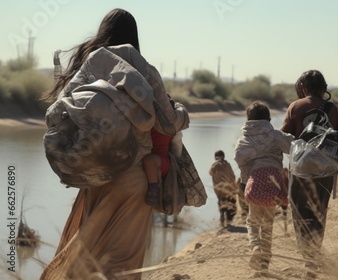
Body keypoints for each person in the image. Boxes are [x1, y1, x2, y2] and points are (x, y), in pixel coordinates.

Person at [40, 9, 188, 280]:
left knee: (84, 258)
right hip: (136, 180)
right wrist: (182, 113)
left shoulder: (88, 68)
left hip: (96, 178)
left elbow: (55, 115)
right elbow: (168, 124)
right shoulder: (144, 70)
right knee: (123, 263)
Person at [280, 70, 338, 279]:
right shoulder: (333, 109)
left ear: (303, 87)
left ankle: (307, 259)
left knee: (300, 214)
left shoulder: (295, 107)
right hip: (325, 172)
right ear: (323, 88)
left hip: (300, 171)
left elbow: (284, 137)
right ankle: (314, 259)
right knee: (319, 213)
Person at [234, 101, 294, 271]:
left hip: (255, 183)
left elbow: (240, 159)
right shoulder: (275, 136)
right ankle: (264, 264)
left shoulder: (244, 139)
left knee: (252, 221)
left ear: (248, 119)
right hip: (274, 185)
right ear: (268, 119)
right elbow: (292, 147)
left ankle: (255, 247)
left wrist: (246, 182)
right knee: (268, 224)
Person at [209, 150, 238, 227]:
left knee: (222, 206)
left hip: (221, 191)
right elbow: (233, 176)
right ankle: (228, 223)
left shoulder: (215, 165)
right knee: (230, 206)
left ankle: (222, 223)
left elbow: (211, 173)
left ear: (215, 157)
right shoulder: (228, 164)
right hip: (230, 190)